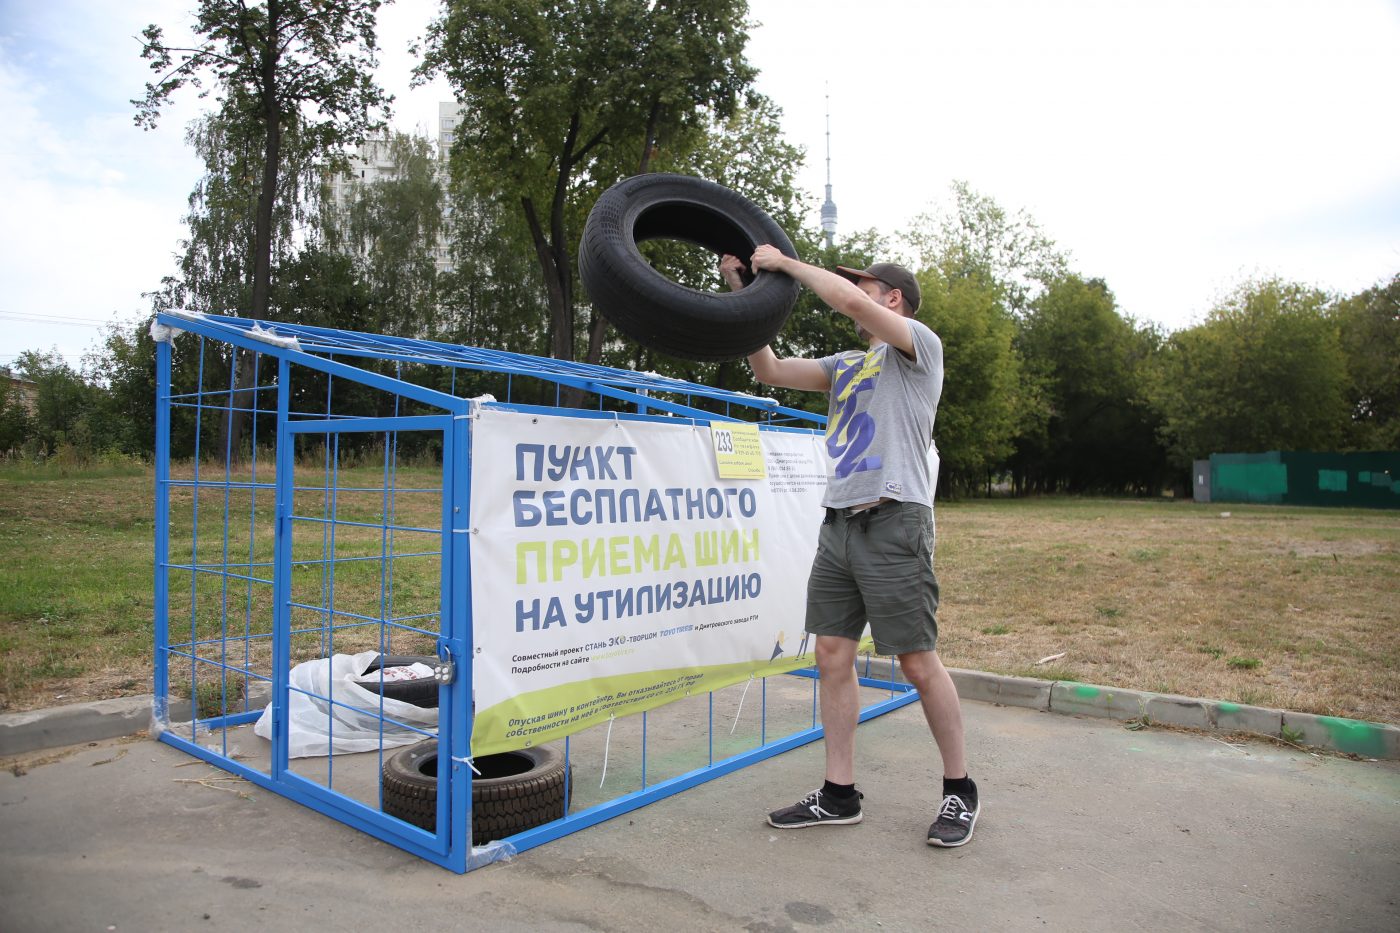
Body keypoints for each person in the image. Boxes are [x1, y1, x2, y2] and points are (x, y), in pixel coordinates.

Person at [719, 246, 979, 848]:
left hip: (895, 520)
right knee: (832, 657)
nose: (855, 295)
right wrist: (743, 292)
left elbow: (847, 298)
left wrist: (784, 262)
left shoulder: (918, 347)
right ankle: (839, 794)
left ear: (893, 298)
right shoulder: (845, 364)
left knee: (915, 661)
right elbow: (770, 370)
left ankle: (960, 789)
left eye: (867, 288)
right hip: (838, 524)